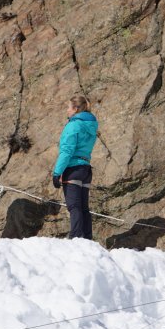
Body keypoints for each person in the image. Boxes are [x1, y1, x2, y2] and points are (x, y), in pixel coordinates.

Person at [51, 95, 98, 239]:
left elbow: (67, 151)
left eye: (69, 107)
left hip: (73, 169)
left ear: (76, 109)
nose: (67, 110)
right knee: (84, 207)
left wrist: (57, 172)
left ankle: (76, 238)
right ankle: (87, 238)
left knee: (74, 206)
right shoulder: (92, 125)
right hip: (86, 169)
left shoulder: (73, 125)